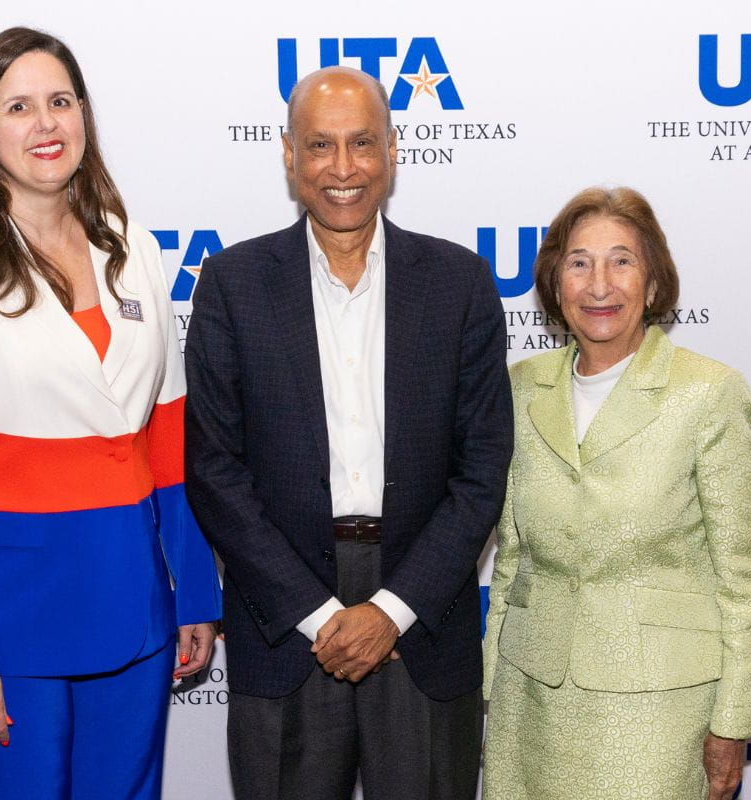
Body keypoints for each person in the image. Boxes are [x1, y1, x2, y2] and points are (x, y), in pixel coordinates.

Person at [0, 27, 220, 799]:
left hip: (132, 614)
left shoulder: (133, 246)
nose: (46, 123)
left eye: (60, 101)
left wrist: (195, 590)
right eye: (19, 106)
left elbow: (167, 439)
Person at [184, 66, 511, 800]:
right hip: (286, 619)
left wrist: (390, 612)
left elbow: (483, 469)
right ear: (288, 154)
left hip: (424, 619)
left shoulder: (461, 284)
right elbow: (213, 467)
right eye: (320, 145)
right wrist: (323, 615)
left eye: (362, 143)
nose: (343, 169)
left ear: (392, 150)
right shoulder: (232, 285)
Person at [482, 186, 751, 800]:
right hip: (528, 696)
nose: (599, 284)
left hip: (660, 705)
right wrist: (488, 683)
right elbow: (511, 557)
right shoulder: (520, 387)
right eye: (579, 263)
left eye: (621, 260)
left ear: (655, 283)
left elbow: (741, 578)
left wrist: (732, 722)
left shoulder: (707, 392)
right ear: (555, 285)